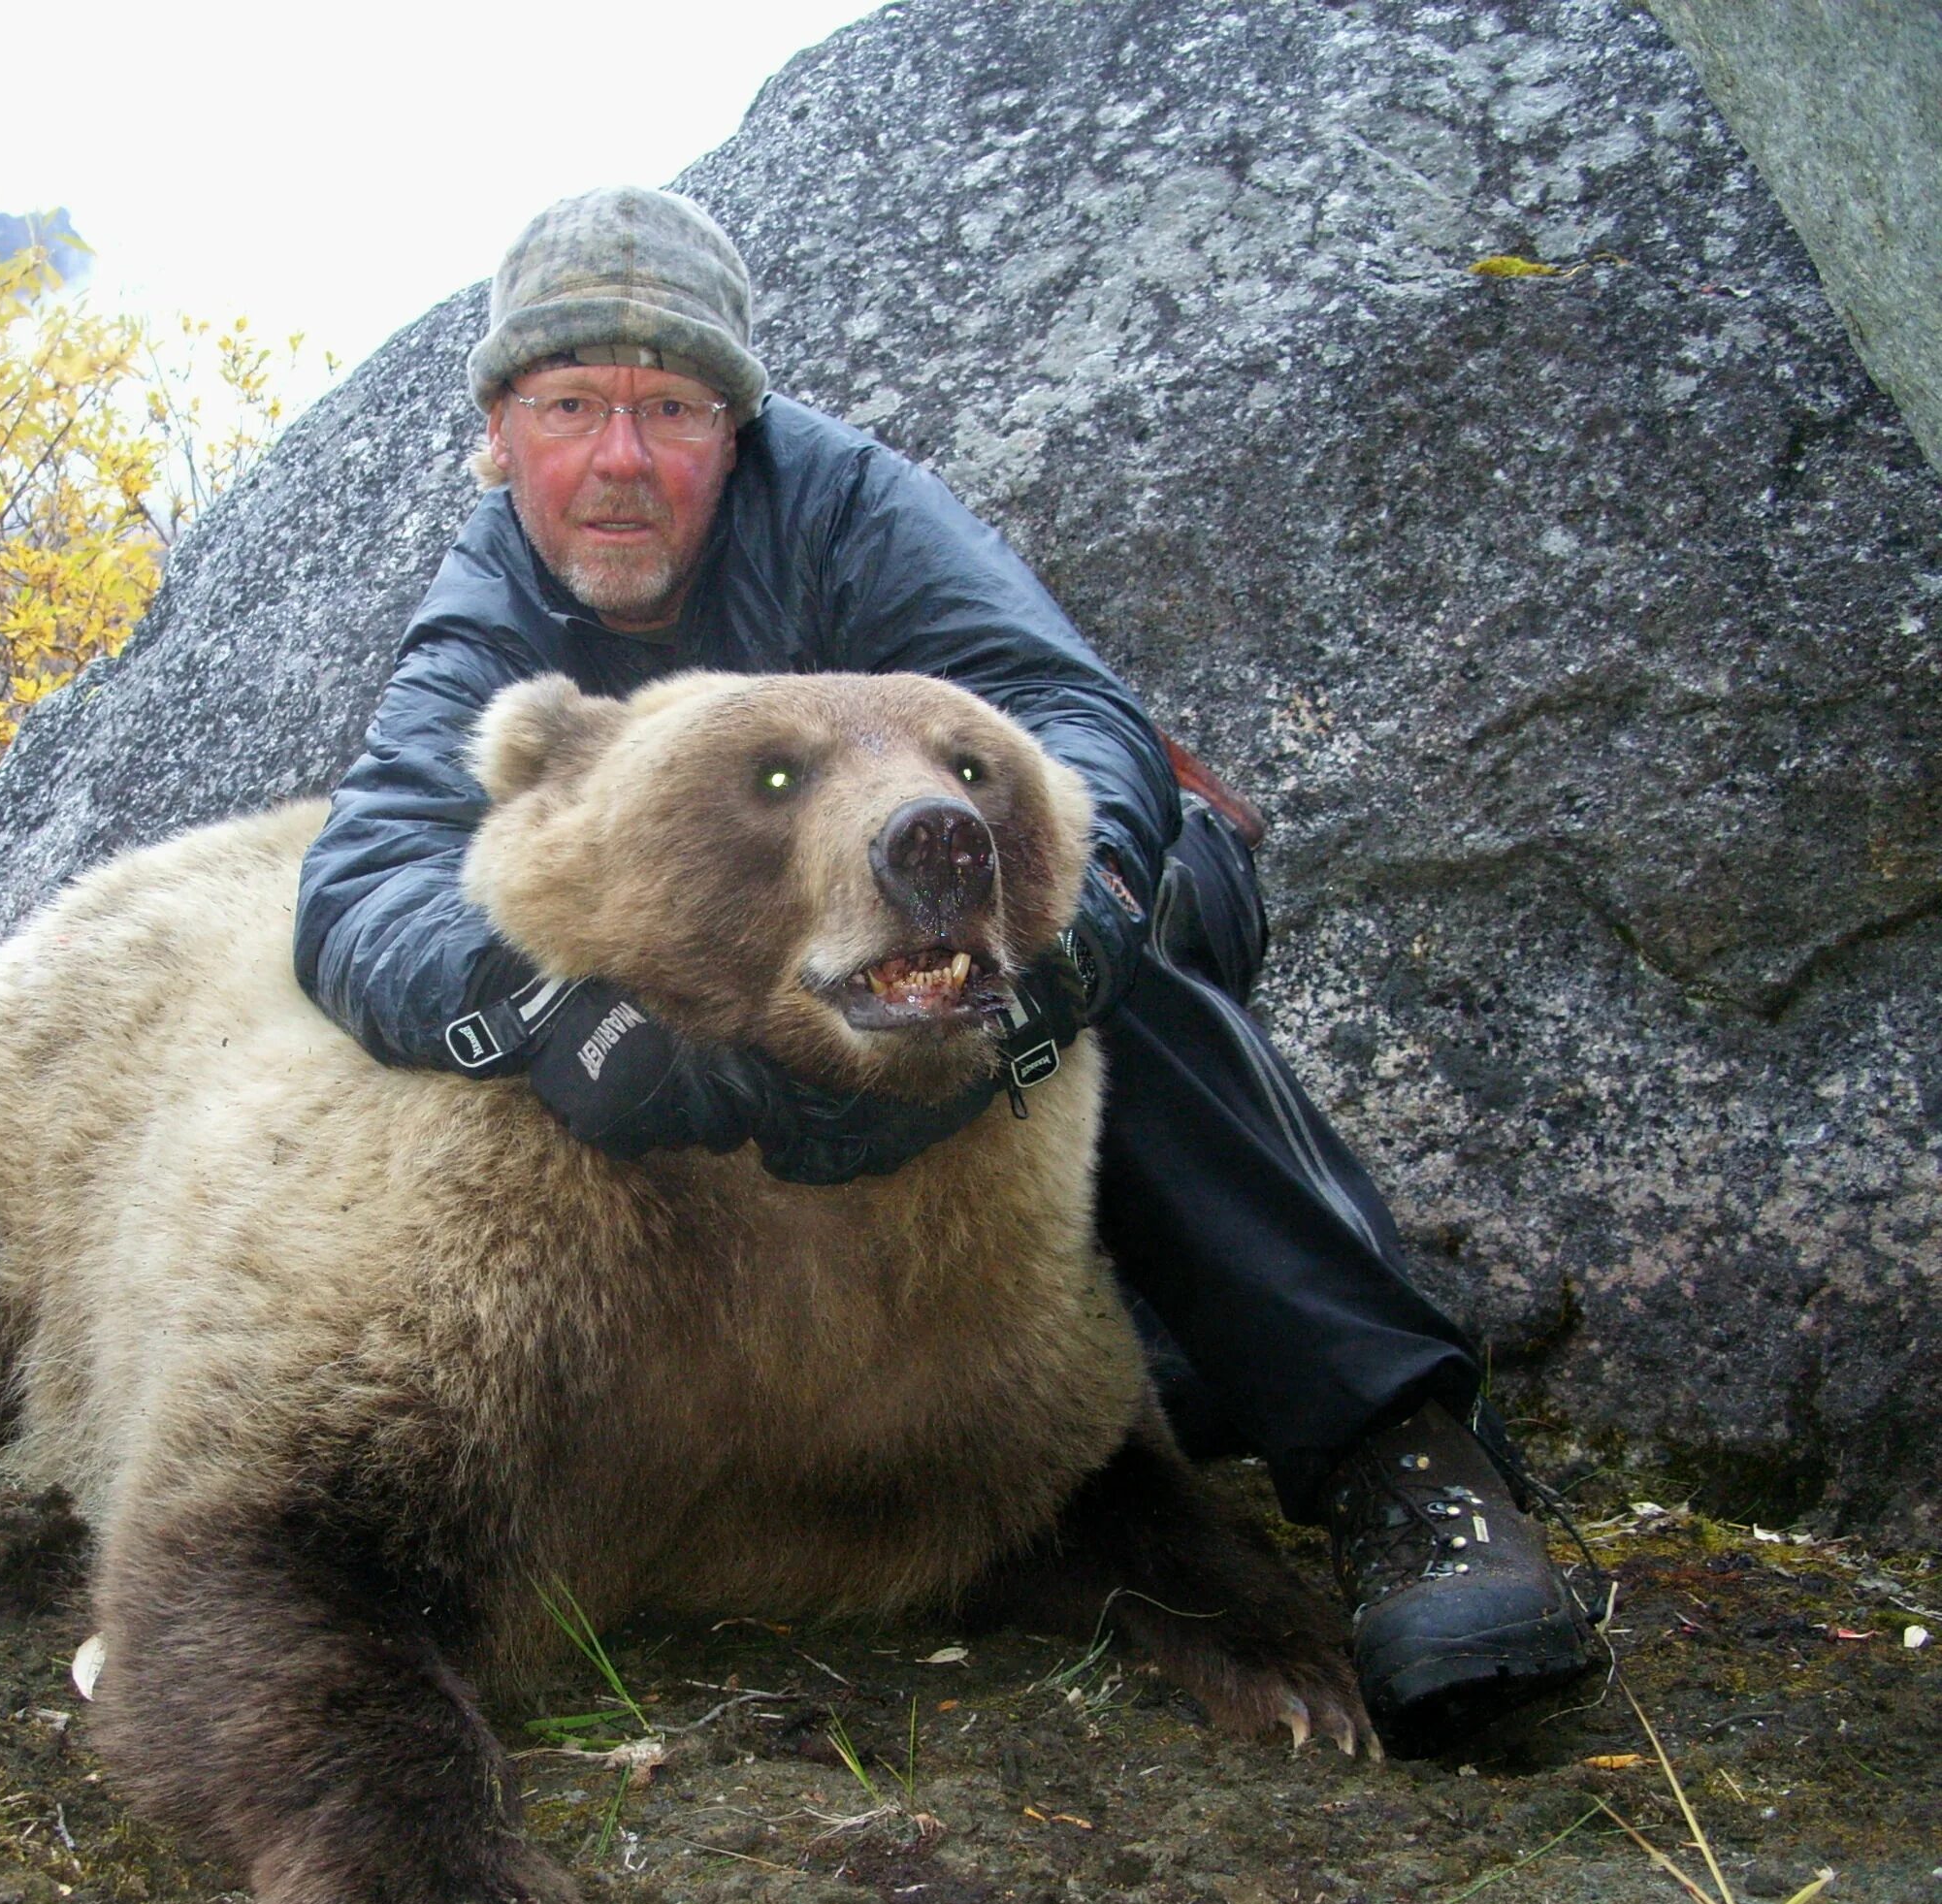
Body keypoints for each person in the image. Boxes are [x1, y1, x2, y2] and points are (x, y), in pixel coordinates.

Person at [293, 185, 1600, 1747]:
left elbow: (1082, 731)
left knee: (1116, 959)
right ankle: (1092, 1382)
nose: (621, 460)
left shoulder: (848, 507)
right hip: (817, 977)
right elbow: (360, 889)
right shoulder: (490, 614)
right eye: (572, 405)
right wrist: (544, 1015)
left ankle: (1403, 1454)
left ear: (741, 423)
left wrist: (1044, 982)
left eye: (671, 408)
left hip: (1041, 893)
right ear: (499, 432)